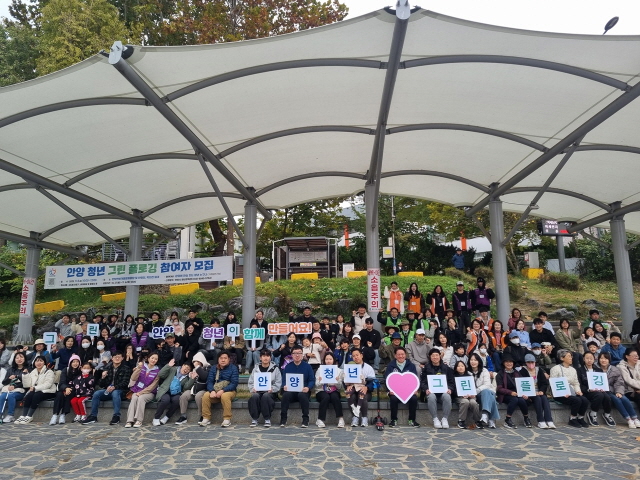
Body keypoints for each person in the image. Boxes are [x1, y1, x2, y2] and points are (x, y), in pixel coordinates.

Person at [81, 350, 132, 425]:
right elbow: (101, 384)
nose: (117, 358)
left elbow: (125, 383)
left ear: (122, 358)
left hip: (120, 391)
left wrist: (114, 387)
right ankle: (93, 416)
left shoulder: (126, 368)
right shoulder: (107, 368)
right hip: (108, 390)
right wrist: (103, 377)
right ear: (112, 358)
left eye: (119, 357)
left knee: (115, 393)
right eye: (115, 357)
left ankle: (116, 416)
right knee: (96, 394)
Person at [598, 352, 640, 428]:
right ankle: (628, 419)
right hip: (604, 391)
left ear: (609, 360)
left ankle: (635, 418)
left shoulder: (614, 369)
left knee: (624, 398)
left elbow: (619, 382)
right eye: (601, 358)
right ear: (598, 359)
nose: (603, 360)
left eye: (606, 358)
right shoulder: (595, 369)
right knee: (616, 399)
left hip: (615, 390)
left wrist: (618, 392)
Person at [550, 350, 590, 428]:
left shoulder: (573, 370)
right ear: (562, 358)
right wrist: (562, 393)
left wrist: (578, 391)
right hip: (560, 393)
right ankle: (572, 418)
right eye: (568, 356)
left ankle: (581, 417)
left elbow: (575, 383)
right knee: (577, 400)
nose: (571, 358)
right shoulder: (555, 369)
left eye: (571, 356)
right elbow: (553, 383)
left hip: (572, 391)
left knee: (584, 400)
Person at [199, 352, 239, 427]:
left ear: (229, 359)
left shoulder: (233, 368)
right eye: (221, 358)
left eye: (225, 358)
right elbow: (210, 381)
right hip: (215, 390)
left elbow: (234, 383)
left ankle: (227, 419)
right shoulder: (214, 368)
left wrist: (223, 390)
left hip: (230, 391)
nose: (223, 360)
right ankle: (206, 418)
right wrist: (212, 391)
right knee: (206, 396)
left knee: (225, 396)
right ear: (218, 359)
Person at [279, 345, 315, 428]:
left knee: (302, 395)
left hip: (303, 391)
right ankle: (283, 418)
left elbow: (312, 380)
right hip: (291, 391)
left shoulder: (308, 367)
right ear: (291, 355)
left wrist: (308, 387)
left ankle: (305, 419)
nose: (297, 355)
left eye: (299, 353)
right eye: (295, 353)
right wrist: (284, 386)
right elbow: (284, 380)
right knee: (286, 395)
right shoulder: (288, 367)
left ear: (302, 354)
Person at [385, 347, 420, 428]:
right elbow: (387, 379)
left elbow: (414, 379)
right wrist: (389, 390)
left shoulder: (411, 366)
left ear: (405, 355)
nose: (401, 356)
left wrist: (415, 390)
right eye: (399, 354)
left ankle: (412, 420)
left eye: (402, 354)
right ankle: (394, 420)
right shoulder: (390, 366)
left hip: (408, 391)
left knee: (414, 398)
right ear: (395, 356)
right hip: (395, 392)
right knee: (393, 399)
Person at [577, 351, 615, 426]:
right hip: (587, 392)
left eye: (591, 358)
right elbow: (579, 384)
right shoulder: (580, 370)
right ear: (583, 359)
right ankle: (592, 413)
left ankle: (607, 414)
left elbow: (603, 382)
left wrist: (603, 388)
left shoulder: (599, 370)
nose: (589, 360)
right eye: (587, 358)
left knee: (607, 396)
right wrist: (588, 389)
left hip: (599, 390)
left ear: (594, 359)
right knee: (599, 395)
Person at [15, 355, 56, 424]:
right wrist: (25, 375)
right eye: (37, 361)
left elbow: (48, 385)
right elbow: (27, 385)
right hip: (36, 391)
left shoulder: (49, 372)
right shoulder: (33, 372)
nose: (38, 363)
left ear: (44, 363)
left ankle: (29, 416)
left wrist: (35, 388)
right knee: (29, 395)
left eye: (41, 361)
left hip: (49, 391)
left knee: (36, 395)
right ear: (34, 363)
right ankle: (24, 415)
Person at [125, 352, 161, 428]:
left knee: (141, 398)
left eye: (156, 359)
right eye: (152, 358)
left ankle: (139, 420)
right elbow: (133, 378)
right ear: (148, 358)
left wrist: (142, 392)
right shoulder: (142, 366)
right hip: (137, 389)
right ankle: (129, 420)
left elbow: (153, 386)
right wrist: (138, 368)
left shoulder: (158, 371)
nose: (153, 360)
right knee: (134, 397)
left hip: (149, 393)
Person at [248, 349, 282, 428]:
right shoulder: (256, 369)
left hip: (270, 392)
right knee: (254, 397)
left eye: (267, 356)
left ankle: (267, 419)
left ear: (270, 357)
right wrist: (253, 389)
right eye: (263, 356)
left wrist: (272, 389)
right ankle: (255, 419)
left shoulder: (275, 369)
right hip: (258, 391)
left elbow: (278, 382)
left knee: (266, 396)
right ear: (260, 358)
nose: (265, 358)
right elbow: (251, 382)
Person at [421, 348, 454, 429]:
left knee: (447, 396)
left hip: (443, 392)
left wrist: (450, 389)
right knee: (431, 397)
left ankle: (445, 418)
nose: (435, 357)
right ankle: (435, 418)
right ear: (430, 357)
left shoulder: (446, 368)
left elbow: (451, 382)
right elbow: (423, 382)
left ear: (440, 356)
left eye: (437, 355)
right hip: (431, 392)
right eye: (433, 356)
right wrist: (426, 389)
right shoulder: (426, 368)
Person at [153, 359, 192, 426]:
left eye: (188, 369)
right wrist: (168, 366)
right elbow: (161, 374)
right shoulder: (173, 369)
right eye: (186, 367)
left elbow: (186, 387)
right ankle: (156, 418)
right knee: (165, 400)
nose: (186, 370)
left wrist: (192, 379)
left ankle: (166, 417)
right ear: (182, 365)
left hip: (176, 393)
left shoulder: (186, 377)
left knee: (177, 400)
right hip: (165, 390)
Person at [496, 355, 531, 429]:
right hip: (505, 394)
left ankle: (526, 418)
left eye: (511, 362)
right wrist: (510, 392)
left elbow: (522, 384)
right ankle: (507, 419)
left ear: (513, 363)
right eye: (507, 362)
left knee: (521, 400)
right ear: (503, 363)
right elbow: (499, 388)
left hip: (517, 393)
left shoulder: (517, 373)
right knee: (514, 399)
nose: (509, 363)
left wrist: (524, 393)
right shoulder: (500, 374)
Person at [521, 354, 555, 429]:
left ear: (535, 362)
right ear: (526, 363)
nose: (531, 364)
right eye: (529, 362)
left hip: (539, 392)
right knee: (538, 398)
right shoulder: (522, 371)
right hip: (529, 393)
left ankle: (549, 420)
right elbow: (522, 384)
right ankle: (540, 421)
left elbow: (544, 383)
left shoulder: (539, 370)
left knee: (544, 398)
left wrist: (542, 391)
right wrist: (530, 393)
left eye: (532, 362)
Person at [175, 351, 210, 425]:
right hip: (193, 390)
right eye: (194, 362)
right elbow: (187, 386)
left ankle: (202, 416)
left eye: (197, 361)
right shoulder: (193, 370)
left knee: (198, 396)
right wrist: (192, 378)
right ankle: (183, 416)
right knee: (184, 396)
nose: (195, 363)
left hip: (204, 389)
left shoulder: (208, 367)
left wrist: (197, 368)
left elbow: (204, 377)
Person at [313, 352, 345, 428]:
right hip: (321, 390)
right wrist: (321, 381)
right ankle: (320, 419)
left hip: (334, 390)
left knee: (335, 397)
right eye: (326, 359)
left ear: (333, 360)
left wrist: (337, 381)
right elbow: (316, 385)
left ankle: (340, 418)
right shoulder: (320, 370)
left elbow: (340, 387)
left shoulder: (338, 371)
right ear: (324, 360)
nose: (328, 361)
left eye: (330, 359)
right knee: (325, 397)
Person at [468, 353, 499, 429]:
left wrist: (476, 391)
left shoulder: (484, 370)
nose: (473, 362)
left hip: (486, 392)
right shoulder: (468, 372)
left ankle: (485, 414)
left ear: (479, 361)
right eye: (471, 360)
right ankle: (491, 419)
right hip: (476, 395)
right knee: (491, 398)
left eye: (475, 360)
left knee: (486, 391)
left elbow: (487, 384)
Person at [50, 354, 81, 425]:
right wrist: (66, 388)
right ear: (70, 363)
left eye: (77, 362)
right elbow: (62, 382)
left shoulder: (80, 371)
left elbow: (79, 383)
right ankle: (55, 415)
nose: (75, 363)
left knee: (69, 395)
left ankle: (63, 414)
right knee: (59, 395)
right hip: (63, 388)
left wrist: (70, 389)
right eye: (73, 362)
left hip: (74, 389)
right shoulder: (65, 370)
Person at [0, 351, 29, 423]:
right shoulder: (10, 369)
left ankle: (10, 415)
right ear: (14, 360)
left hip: (22, 390)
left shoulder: (28, 369)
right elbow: (4, 382)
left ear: (25, 358)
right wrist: (9, 378)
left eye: (21, 357)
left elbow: (27, 382)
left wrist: (15, 385)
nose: (19, 359)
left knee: (11, 396)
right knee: (2, 396)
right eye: (17, 358)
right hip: (10, 389)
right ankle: (0, 414)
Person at [452, 360, 480, 429]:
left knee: (473, 402)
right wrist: (461, 394)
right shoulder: (453, 377)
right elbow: (453, 389)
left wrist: (473, 394)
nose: (460, 367)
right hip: (459, 397)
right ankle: (461, 421)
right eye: (458, 366)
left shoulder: (470, 376)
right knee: (465, 401)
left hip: (471, 396)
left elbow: (474, 387)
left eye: (462, 366)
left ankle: (477, 421)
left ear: (465, 367)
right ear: (456, 368)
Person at [618, 347, 640, 413]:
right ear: (627, 356)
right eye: (633, 356)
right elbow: (628, 381)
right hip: (630, 390)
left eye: (637, 356)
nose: (636, 358)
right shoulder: (621, 367)